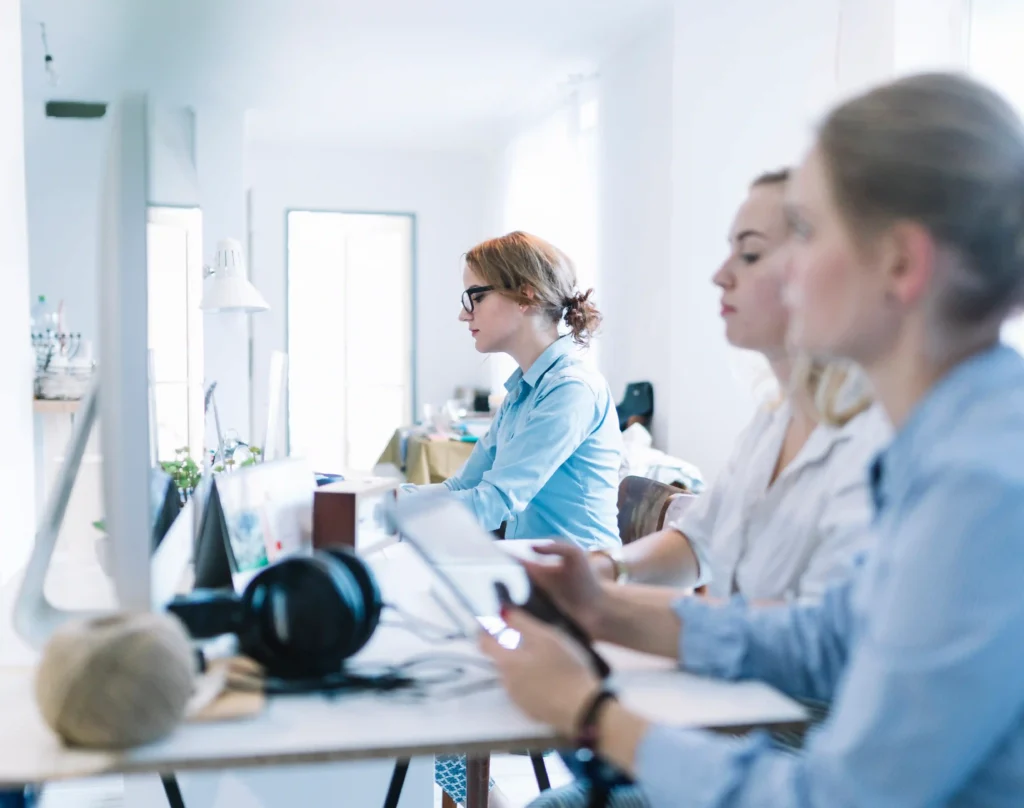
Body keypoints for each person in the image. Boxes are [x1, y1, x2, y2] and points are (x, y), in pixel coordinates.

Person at [481, 72, 1024, 807]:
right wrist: (602, 605)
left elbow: (839, 797)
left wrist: (589, 713)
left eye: (805, 231)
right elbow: (827, 641)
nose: (776, 268)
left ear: (900, 262)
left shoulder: (982, 485)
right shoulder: (943, 443)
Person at [589, 170, 891, 605]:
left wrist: (600, 606)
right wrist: (604, 568)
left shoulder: (873, 439)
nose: (719, 275)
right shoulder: (774, 417)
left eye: (749, 254)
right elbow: (698, 541)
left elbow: (804, 636)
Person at [406, 231, 623, 808]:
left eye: (473, 296)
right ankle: (483, 796)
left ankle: (486, 799)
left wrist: (386, 517)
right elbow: (464, 487)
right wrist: (381, 499)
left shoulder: (570, 388)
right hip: (534, 585)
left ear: (524, 296)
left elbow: (496, 503)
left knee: (432, 673)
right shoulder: (524, 391)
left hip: (580, 599)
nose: (462, 313)